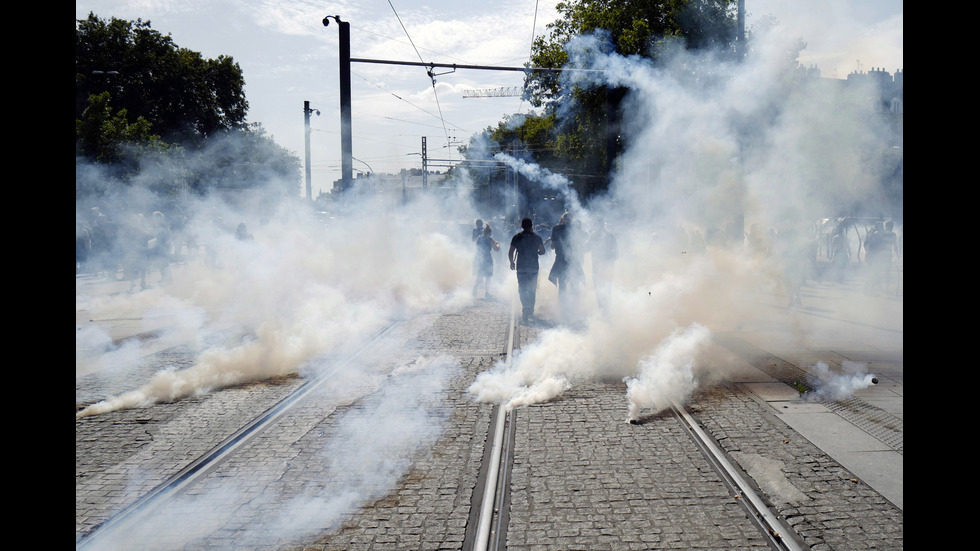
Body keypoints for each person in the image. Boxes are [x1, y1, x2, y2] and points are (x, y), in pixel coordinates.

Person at [547, 211, 585, 322]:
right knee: (575, 286)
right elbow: (581, 242)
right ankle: (574, 310)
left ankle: (564, 311)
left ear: (563, 219)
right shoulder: (577, 228)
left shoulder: (556, 229)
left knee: (562, 287)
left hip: (561, 260)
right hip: (574, 260)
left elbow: (553, 246)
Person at [509, 217, 546, 323]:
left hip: (521, 266)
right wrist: (539, 252)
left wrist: (511, 262)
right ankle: (530, 309)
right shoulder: (537, 237)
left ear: (522, 226)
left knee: (522, 288)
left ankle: (525, 306)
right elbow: (543, 251)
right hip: (533, 267)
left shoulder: (517, 237)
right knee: (532, 289)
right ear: (531, 225)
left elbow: (511, 251)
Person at [587, 218, 618, 314]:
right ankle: (605, 309)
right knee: (604, 286)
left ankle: (604, 308)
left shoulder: (597, 235)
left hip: (602, 265)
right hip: (602, 265)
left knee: (602, 286)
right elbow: (616, 253)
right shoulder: (608, 235)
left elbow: (586, 248)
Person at [473, 224, 500, 298]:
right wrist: (498, 244)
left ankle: (474, 290)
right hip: (487, 259)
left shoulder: (479, 238)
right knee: (488, 276)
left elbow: (477, 246)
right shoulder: (490, 240)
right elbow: (496, 249)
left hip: (479, 258)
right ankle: (487, 293)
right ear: (489, 233)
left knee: (479, 275)